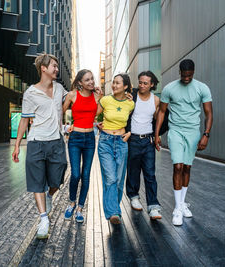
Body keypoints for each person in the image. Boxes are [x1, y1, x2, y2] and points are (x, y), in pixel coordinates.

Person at [12, 54, 68, 239]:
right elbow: (24, 120)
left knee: (58, 178)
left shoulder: (60, 89)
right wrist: (17, 145)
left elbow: (74, 99)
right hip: (36, 141)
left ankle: (50, 196)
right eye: (54, 66)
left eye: (57, 66)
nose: (57, 69)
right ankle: (43, 219)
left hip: (56, 142)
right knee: (37, 181)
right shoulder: (30, 93)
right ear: (43, 68)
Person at [155, 59, 213, 226]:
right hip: (176, 131)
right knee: (178, 166)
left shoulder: (202, 88)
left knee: (187, 167)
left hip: (193, 132)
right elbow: (162, 112)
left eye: (190, 75)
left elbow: (209, 113)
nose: (187, 78)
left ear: (193, 72)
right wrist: (157, 134)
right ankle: (177, 208)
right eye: (184, 75)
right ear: (179, 72)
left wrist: (206, 135)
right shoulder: (169, 88)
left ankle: (182, 203)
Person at [62, 69, 103, 223]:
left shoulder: (97, 96)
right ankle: (71, 202)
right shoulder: (73, 94)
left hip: (90, 139)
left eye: (92, 79)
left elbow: (95, 114)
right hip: (75, 138)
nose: (91, 82)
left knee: (86, 175)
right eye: (87, 80)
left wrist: (100, 98)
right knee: (75, 174)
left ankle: (80, 208)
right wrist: (65, 128)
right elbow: (61, 111)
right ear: (80, 82)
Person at [97, 73, 135, 224]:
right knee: (110, 178)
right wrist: (96, 124)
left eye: (118, 83)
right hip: (105, 141)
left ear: (125, 86)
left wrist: (129, 133)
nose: (114, 85)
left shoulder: (130, 104)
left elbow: (134, 121)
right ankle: (114, 212)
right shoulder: (105, 100)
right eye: (113, 82)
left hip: (121, 142)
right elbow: (91, 114)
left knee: (118, 180)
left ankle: (114, 208)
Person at [125, 71, 162, 220]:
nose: (142, 85)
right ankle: (134, 196)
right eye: (140, 82)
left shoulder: (156, 100)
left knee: (150, 174)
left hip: (148, 141)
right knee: (133, 171)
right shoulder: (132, 95)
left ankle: (153, 206)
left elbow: (159, 120)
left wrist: (156, 136)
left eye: (145, 83)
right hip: (133, 139)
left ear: (152, 84)